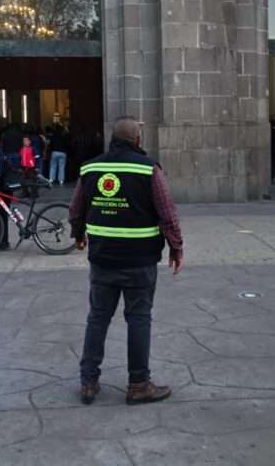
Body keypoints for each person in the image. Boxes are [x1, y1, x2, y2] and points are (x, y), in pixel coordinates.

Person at [70, 116, 184, 406]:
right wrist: (176, 247)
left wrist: (78, 235)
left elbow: (76, 208)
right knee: (139, 319)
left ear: (112, 138)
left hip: (102, 258)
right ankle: (138, 385)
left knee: (97, 318)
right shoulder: (148, 168)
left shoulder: (91, 167)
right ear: (138, 140)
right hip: (139, 261)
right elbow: (167, 213)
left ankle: (88, 382)